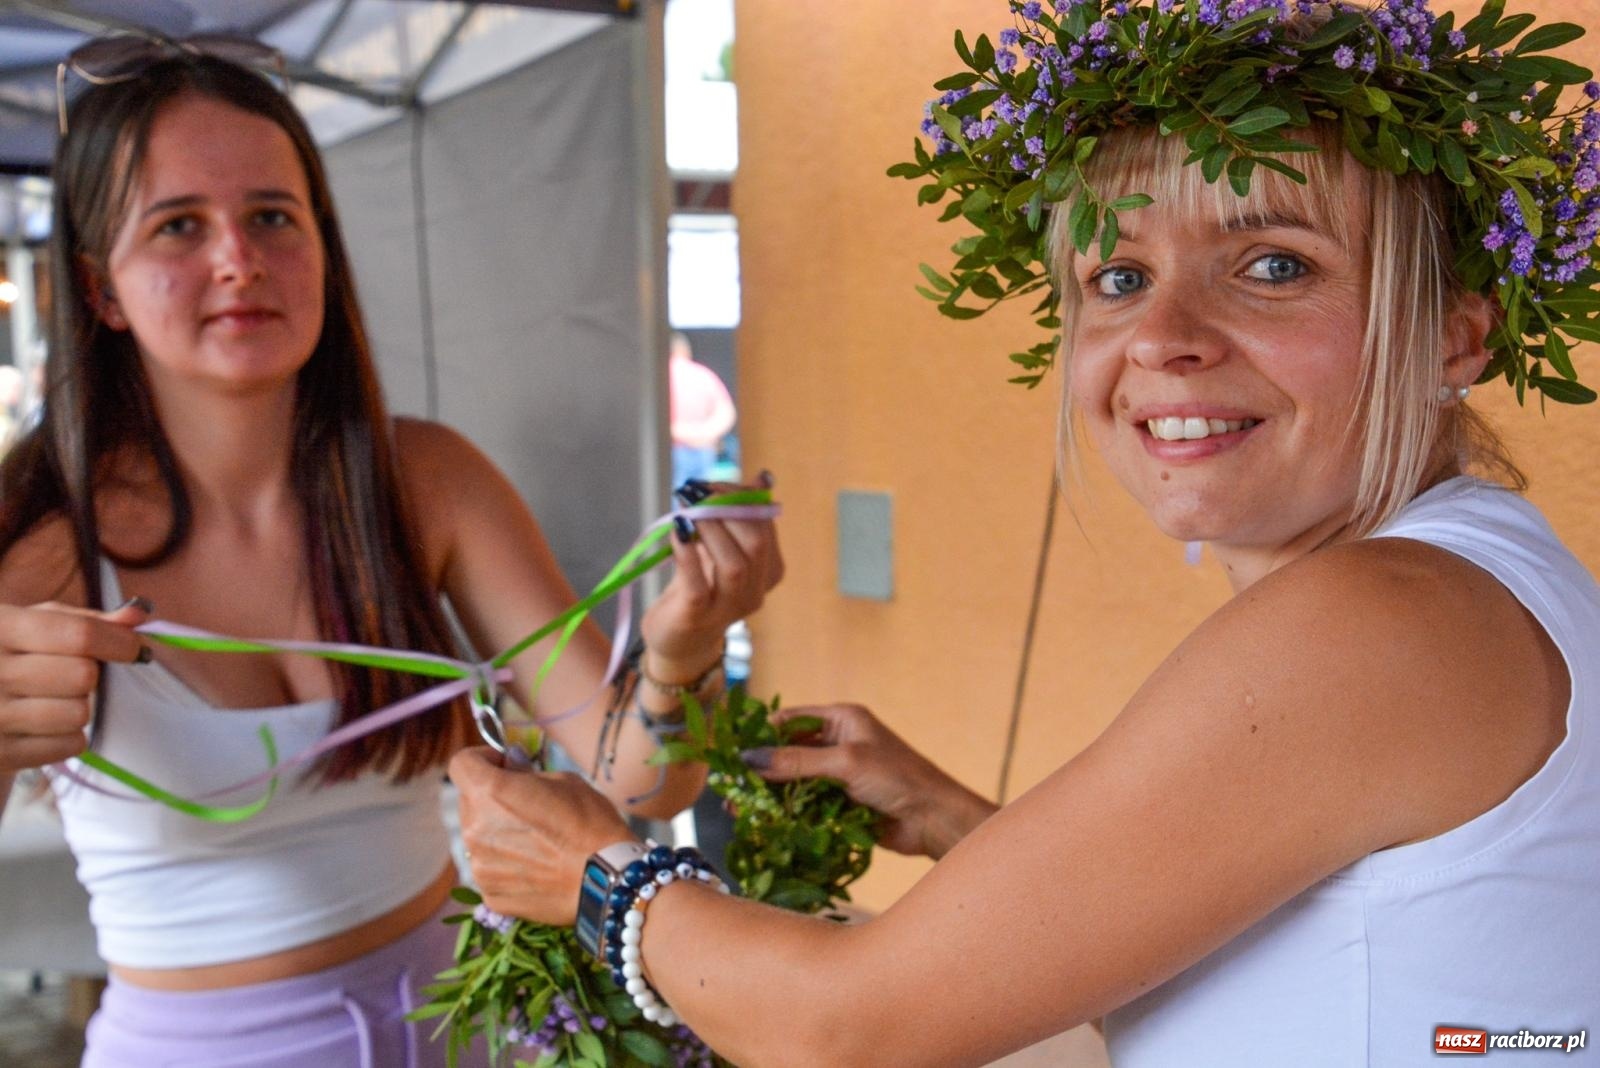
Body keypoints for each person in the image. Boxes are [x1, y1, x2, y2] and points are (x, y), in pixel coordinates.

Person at [449, 2, 1600, 1065]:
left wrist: (594, 875)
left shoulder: (1374, 622)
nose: (1160, 337)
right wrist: (959, 823)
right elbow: (1290, 976)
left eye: (1272, 265)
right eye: (1117, 275)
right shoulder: (1470, 578)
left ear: (1457, 337)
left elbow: (846, 1030)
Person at [0, 43, 780, 1068]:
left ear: (323, 248)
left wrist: (682, 646)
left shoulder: (425, 481)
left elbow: (637, 782)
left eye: (274, 217)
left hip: (470, 1032)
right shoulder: (47, 537)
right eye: (179, 225)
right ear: (102, 288)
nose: (238, 258)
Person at [669, 331, 737, 487]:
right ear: (685, 350)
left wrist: (678, 432)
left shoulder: (660, 376)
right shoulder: (704, 375)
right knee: (699, 502)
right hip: (703, 449)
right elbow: (726, 413)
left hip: (673, 448)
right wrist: (705, 434)